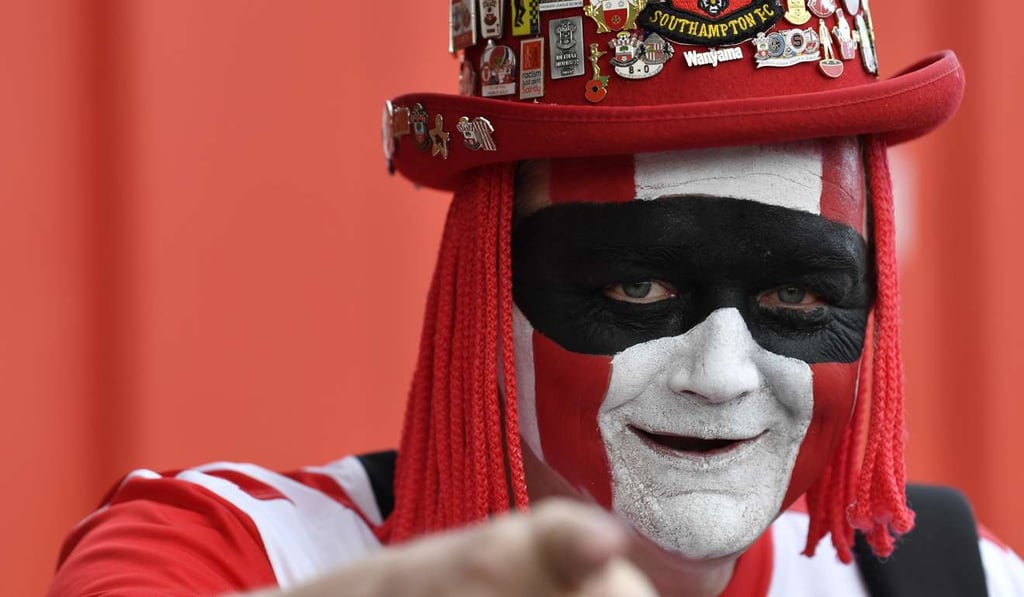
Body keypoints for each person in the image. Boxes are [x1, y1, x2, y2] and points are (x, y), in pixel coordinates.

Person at [47, 1, 1024, 596]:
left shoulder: (947, 580)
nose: (723, 376)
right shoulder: (246, 551)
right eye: (635, 286)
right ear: (485, 286)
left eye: (795, 294)